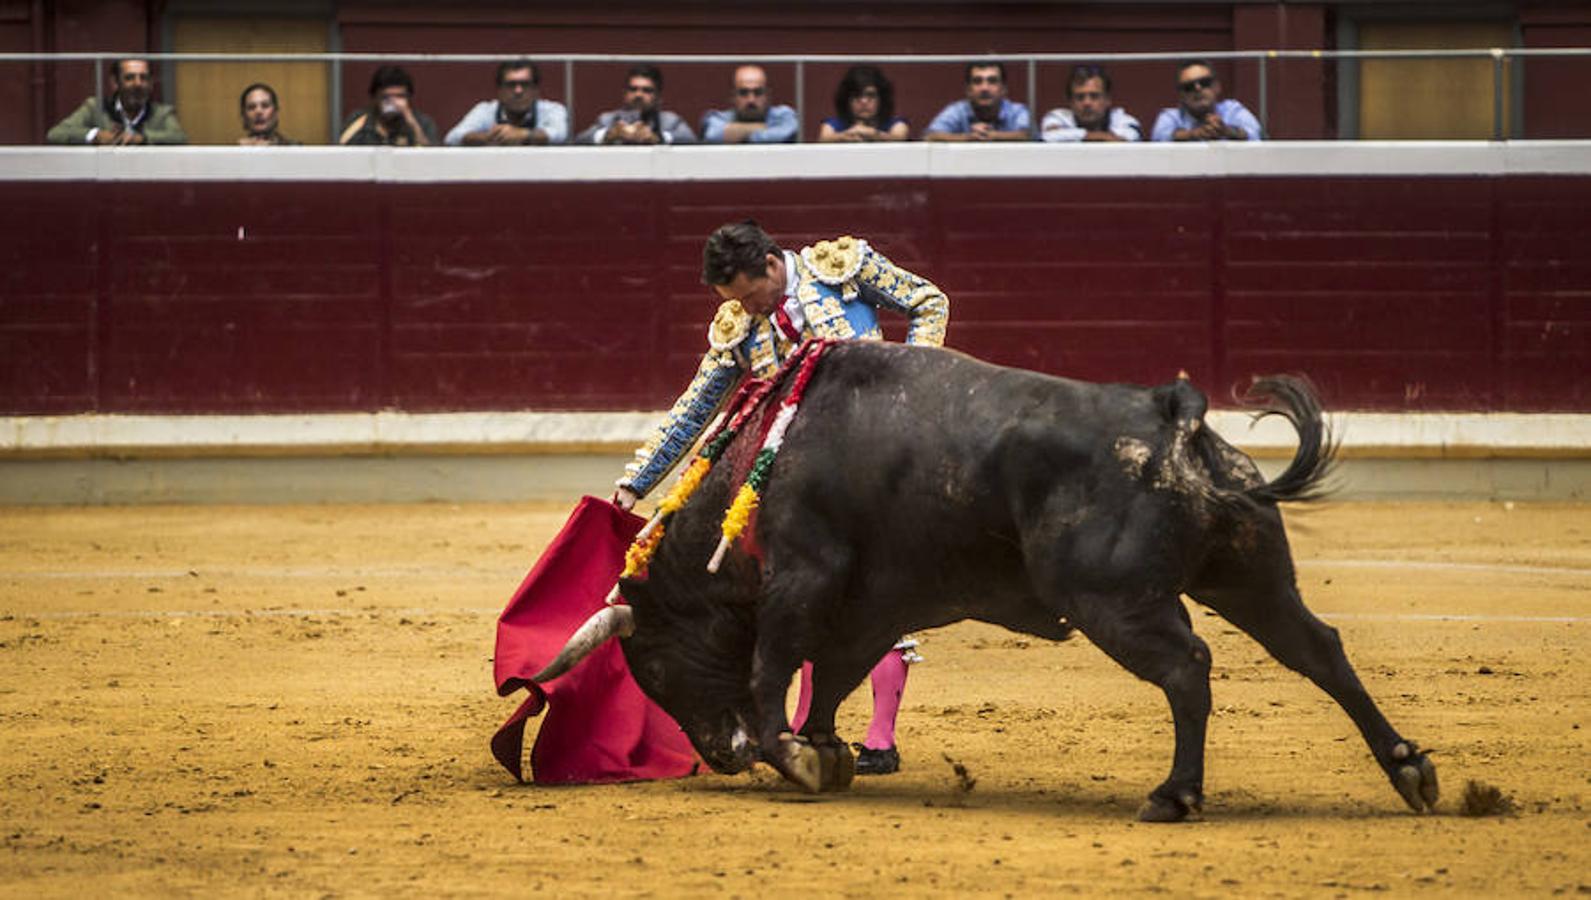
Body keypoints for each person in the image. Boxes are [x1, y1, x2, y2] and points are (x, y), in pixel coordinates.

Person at [615, 221, 949, 775]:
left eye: (750, 296)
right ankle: (809, 729)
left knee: (883, 589)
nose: (748, 309)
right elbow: (695, 407)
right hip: (796, 483)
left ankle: (881, 741)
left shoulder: (841, 268)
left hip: (871, 456)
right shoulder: (737, 325)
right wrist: (636, 483)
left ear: (772, 264)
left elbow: (927, 302)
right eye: (735, 302)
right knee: (811, 596)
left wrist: (913, 390)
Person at [46, 58, 187, 145]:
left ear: (150, 84)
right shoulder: (95, 107)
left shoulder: (161, 113)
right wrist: (95, 136)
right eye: (130, 78)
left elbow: (179, 137)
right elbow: (56, 134)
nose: (138, 84)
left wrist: (142, 138)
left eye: (143, 78)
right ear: (115, 83)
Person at [445, 59, 569, 146]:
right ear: (499, 90)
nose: (518, 91)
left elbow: (560, 133)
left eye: (525, 85)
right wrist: (488, 137)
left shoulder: (553, 109)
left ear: (536, 90)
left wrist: (523, 135)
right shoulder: (485, 110)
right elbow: (452, 138)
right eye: (511, 85)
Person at [574, 64, 696, 145]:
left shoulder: (670, 120)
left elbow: (691, 140)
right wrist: (608, 135)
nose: (638, 95)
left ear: (658, 97)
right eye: (633, 89)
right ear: (625, 94)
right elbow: (579, 140)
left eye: (646, 90)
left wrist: (657, 138)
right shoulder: (608, 119)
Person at [1151, 59, 1263, 142]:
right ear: (1181, 95)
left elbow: (1255, 133)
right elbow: (1159, 136)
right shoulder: (1171, 117)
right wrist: (1195, 134)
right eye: (1189, 86)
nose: (1197, 89)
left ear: (1217, 87)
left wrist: (1226, 131)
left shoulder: (1232, 110)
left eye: (1204, 83)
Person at [923, 61, 1031, 142]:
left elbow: (1028, 135)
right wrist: (968, 137)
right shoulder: (957, 111)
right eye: (977, 81)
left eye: (992, 81)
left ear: (1003, 89)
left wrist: (992, 136)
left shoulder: (1017, 111)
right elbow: (930, 135)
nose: (984, 88)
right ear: (968, 90)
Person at [1040, 64, 1141, 143]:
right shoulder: (1057, 117)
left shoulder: (1124, 120)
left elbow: (1129, 139)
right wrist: (1101, 137)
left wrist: (1069, 135)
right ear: (1070, 102)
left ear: (1108, 99)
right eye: (1080, 97)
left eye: (1094, 96)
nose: (1087, 103)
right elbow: (1048, 137)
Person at [339, 65, 437, 146]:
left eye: (400, 96)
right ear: (375, 97)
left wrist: (412, 124)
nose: (393, 102)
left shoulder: (423, 123)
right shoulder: (358, 120)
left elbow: (433, 158)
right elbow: (341, 149)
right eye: (386, 97)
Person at [699, 65, 798, 144]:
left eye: (758, 92)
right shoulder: (718, 118)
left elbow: (786, 132)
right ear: (733, 96)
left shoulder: (783, 115)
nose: (751, 100)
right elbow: (713, 136)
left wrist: (736, 134)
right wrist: (762, 128)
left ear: (767, 95)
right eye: (743, 93)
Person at [817, 65, 909, 142]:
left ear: (882, 99)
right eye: (856, 96)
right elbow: (824, 138)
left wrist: (874, 134)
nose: (863, 102)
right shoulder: (834, 124)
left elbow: (900, 137)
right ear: (846, 100)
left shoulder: (895, 124)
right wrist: (844, 136)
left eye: (871, 96)